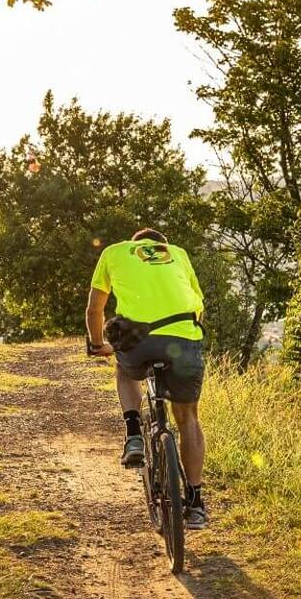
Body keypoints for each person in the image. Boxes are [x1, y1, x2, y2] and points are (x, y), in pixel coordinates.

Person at [84, 227, 209, 530]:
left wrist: (98, 343)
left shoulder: (114, 251)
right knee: (189, 418)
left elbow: (94, 309)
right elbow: (199, 308)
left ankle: (134, 435)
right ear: (161, 246)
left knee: (125, 370)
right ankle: (195, 503)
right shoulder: (178, 253)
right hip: (183, 338)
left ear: (135, 244)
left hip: (137, 339)